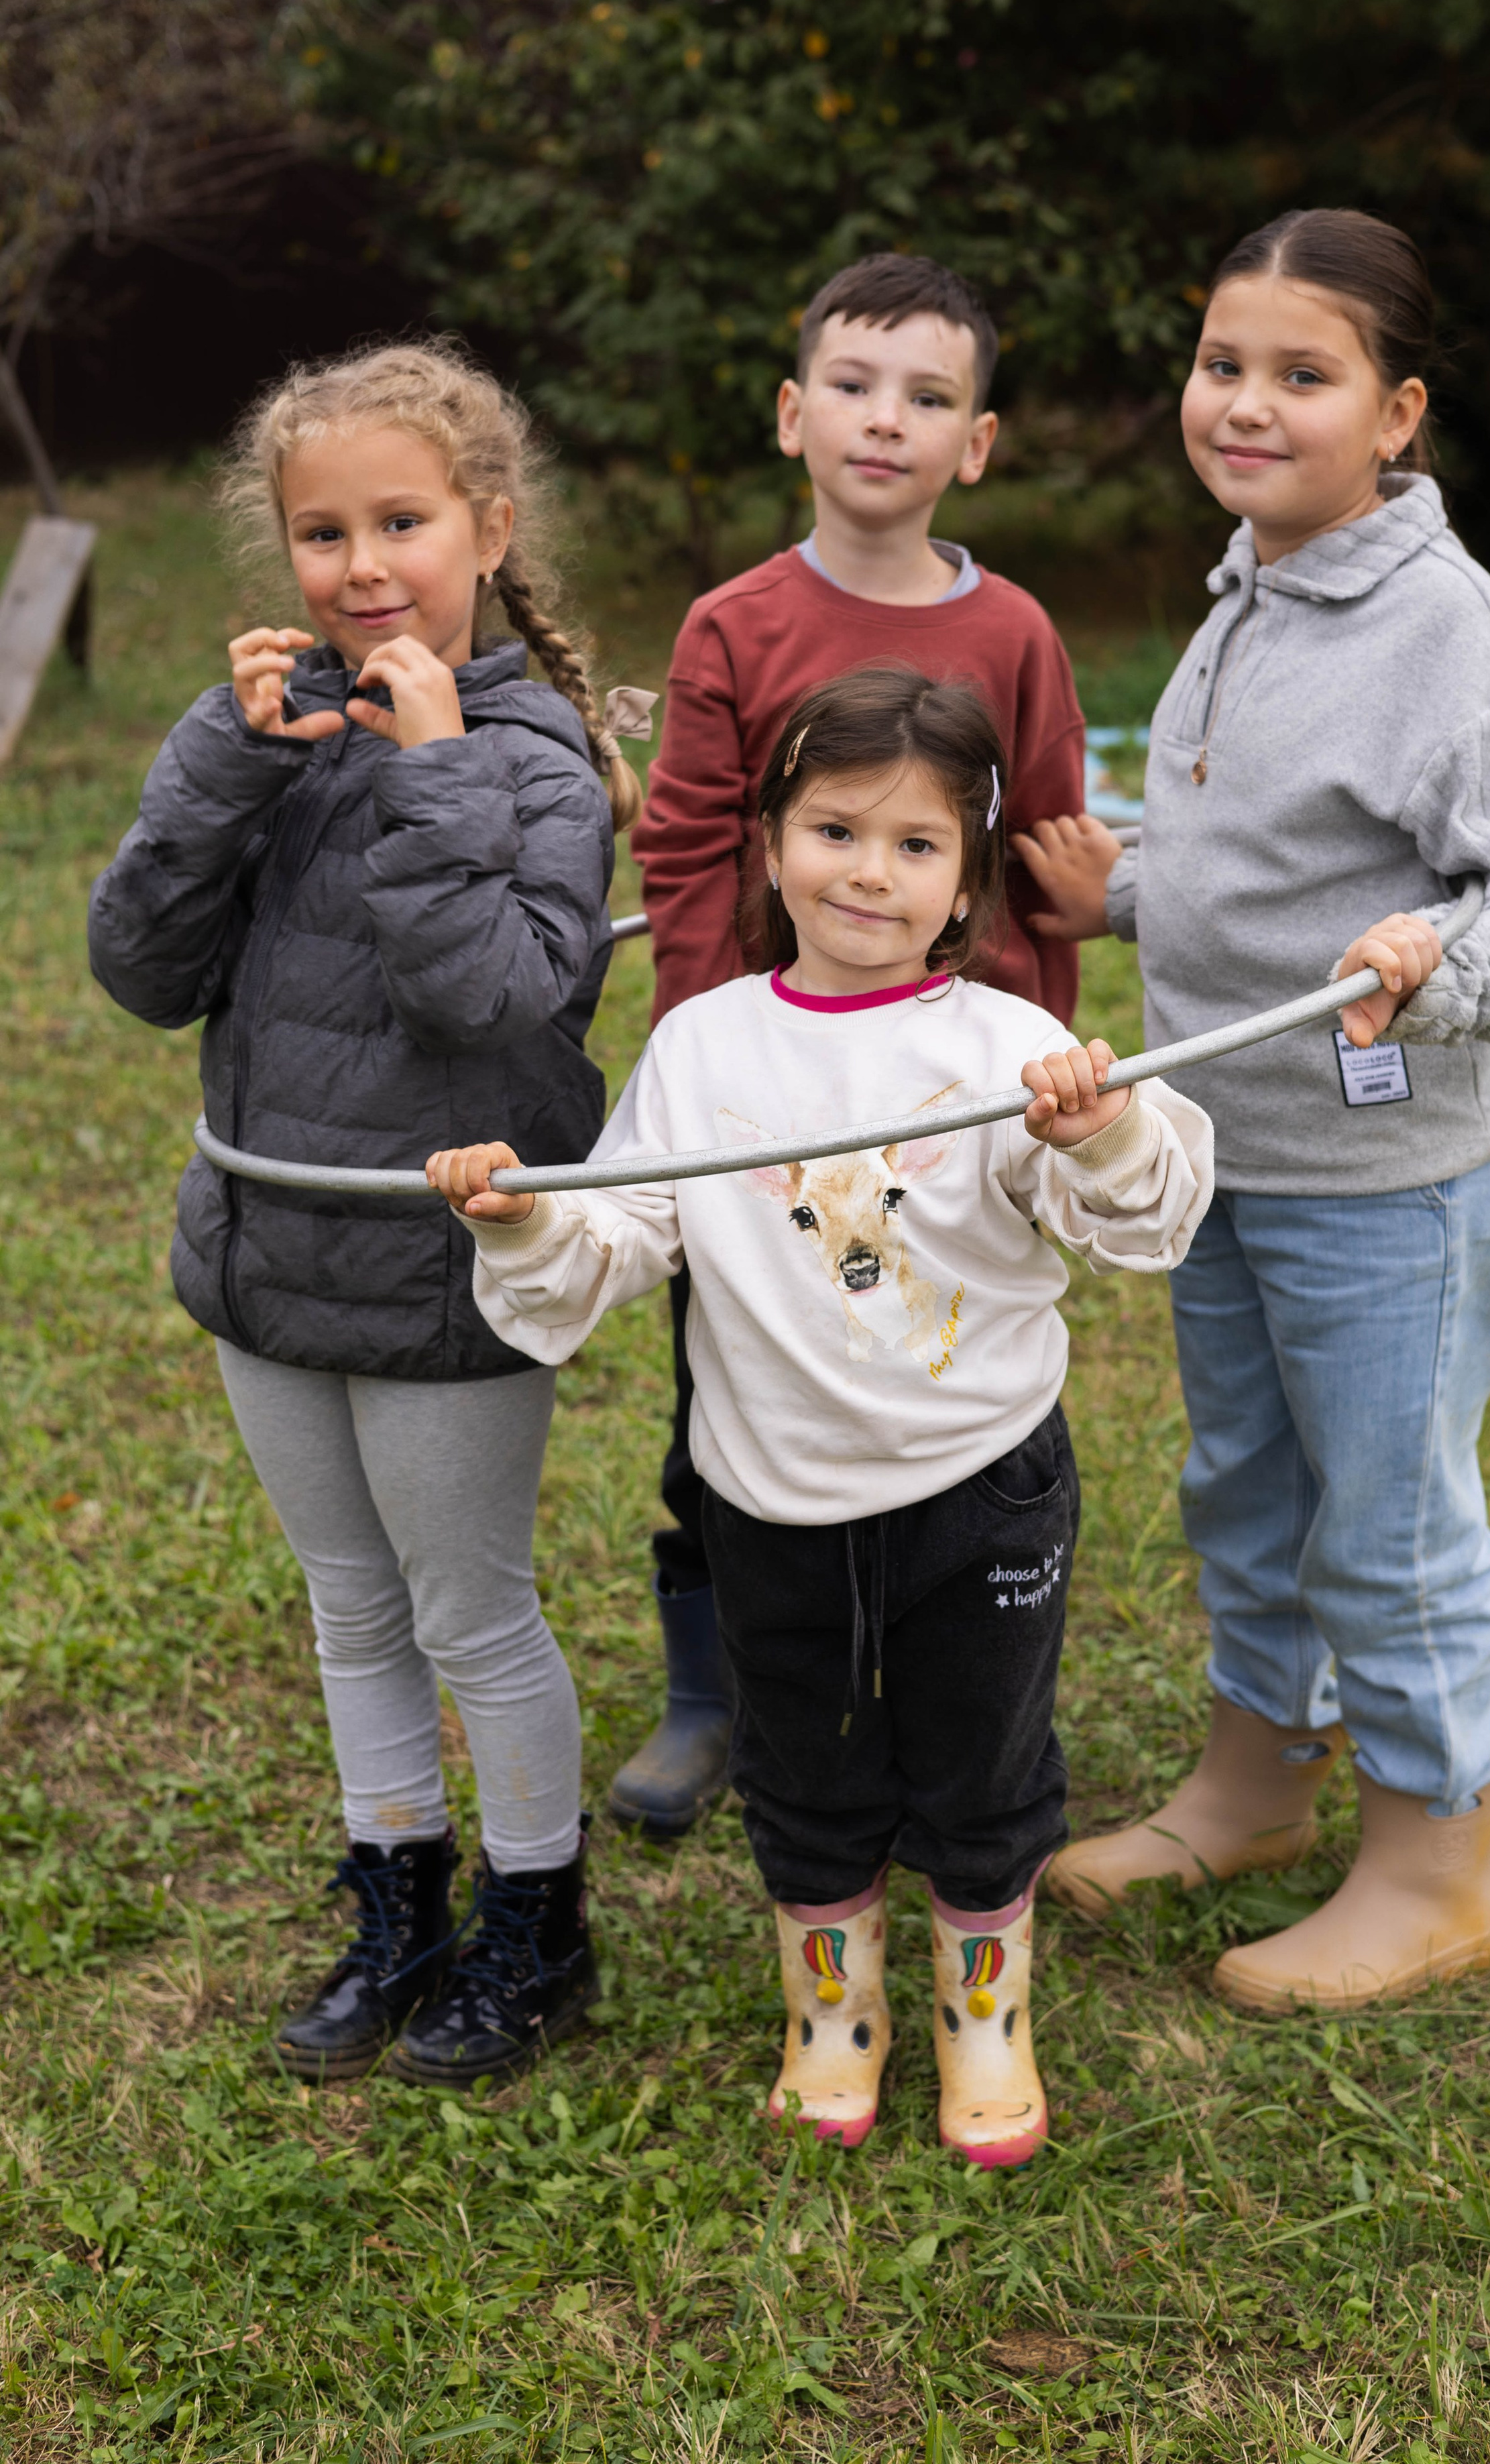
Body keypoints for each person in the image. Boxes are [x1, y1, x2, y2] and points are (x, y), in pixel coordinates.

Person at [428, 668, 1212, 2161]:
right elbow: (620, 1239)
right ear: (770, 840)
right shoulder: (707, 1047)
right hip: (769, 1496)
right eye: (835, 829)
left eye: (916, 845)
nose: (869, 870)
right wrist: (526, 1221)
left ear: (969, 875)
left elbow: (1133, 1219)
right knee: (800, 1762)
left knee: (983, 1759)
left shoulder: (1004, 1047)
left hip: (977, 1483)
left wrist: (1099, 1131)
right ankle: (831, 2013)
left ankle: (983, 2015)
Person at [1017, 209, 1490, 2013]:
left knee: (1389, 1510)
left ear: (1398, 411)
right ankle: (1257, 1783)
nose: (1247, 403)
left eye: (1304, 373)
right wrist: (1114, 894)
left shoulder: (1454, 631)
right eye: (1222, 365)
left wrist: (1439, 955)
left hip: (1394, 1177)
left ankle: (1440, 1863)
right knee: (1248, 1486)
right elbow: (1253, 856)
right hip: (1226, 1152)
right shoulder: (1249, 587)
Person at [88, 339, 645, 2088]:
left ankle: (537, 1924)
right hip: (276, 1240)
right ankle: (396, 1896)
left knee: (471, 1608)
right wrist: (214, 765)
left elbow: (494, 1006)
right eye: (321, 532)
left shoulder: (538, 763)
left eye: (400, 520)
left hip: (440, 1260)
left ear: (484, 527)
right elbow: (138, 967)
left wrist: (431, 773)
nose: (361, 565)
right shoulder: (276, 742)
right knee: (349, 1602)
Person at [618, 251, 1090, 1839]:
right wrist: (713, 1070)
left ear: (977, 442)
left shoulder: (1014, 632)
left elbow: (1040, 860)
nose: (883, 419)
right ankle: (718, 1689)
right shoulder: (731, 623)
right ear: (789, 412)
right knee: (729, 1389)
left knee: (937, 1356)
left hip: (943, 1106)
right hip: (761, 1109)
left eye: (929, 396)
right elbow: (683, 848)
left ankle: (960, 1666)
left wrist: (1036, 1098)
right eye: (852, 383)